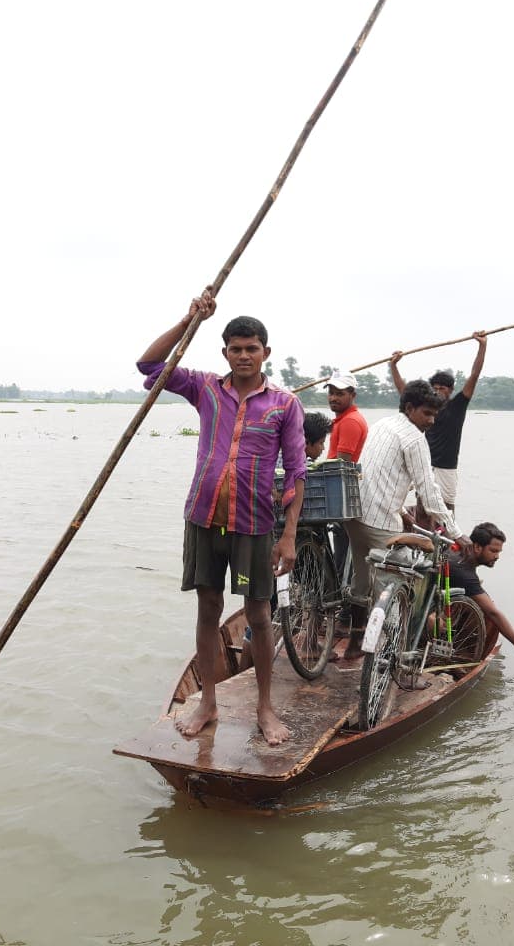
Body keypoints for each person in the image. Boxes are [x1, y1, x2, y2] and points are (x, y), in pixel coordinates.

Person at [137, 288, 306, 745]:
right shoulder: (206, 388)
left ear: (266, 353)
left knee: (258, 612)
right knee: (208, 609)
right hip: (203, 518)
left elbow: (296, 471)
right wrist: (190, 319)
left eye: (252, 349)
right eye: (236, 349)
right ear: (225, 352)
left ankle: (265, 708)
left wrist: (288, 535)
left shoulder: (284, 405)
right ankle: (208, 704)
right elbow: (149, 366)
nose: (244, 355)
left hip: (253, 525)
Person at [338, 379, 463, 661]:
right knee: (403, 587)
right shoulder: (414, 438)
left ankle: (355, 644)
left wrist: (403, 511)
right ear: (409, 408)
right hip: (381, 524)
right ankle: (398, 660)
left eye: (435, 415)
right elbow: (429, 493)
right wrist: (457, 533)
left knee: (361, 582)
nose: (431, 421)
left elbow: (383, 474)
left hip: (356, 518)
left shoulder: (383, 424)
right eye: (427, 414)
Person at [389, 331, 487, 513]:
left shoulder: (458, 404)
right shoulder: (425, 407)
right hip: (426, 462)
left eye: (442, 388)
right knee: (422, 506)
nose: (438, 391)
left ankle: (448, 539)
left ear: (450, 390)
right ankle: (423, 538)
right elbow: (403, 391)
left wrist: (482, 345)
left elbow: (474, 375)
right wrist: (393, 366)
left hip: (447, 466)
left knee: (447, 507)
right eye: (434, 388)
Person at [446, 522, 514, 671]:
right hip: (433, 615)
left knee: (482, 602)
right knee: (488, 614)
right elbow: (493, 613)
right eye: (493, 551)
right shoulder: (463, 572)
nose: (497, 556)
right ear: (477, 547)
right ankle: (461, 661)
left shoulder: (459, 556)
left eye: (499, 552)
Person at [324, 370, 368, 463]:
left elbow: (342, 467)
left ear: (353, 395)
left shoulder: (350, 421)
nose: (333, 398)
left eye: (340, 394)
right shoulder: (345, 419)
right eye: (331, 393)